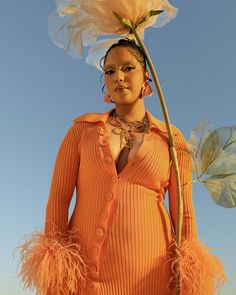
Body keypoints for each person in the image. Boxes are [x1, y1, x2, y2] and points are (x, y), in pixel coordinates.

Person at [18, 39, 225, 295]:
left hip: (151, 275)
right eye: (110, 71)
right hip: (84, 273)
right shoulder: (82, 130)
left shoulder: (172, 139)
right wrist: (55, 262)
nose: (119, 77)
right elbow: (59, 199)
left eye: (128, 68)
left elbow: (184, 214)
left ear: (146, 77)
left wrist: (189, 270)